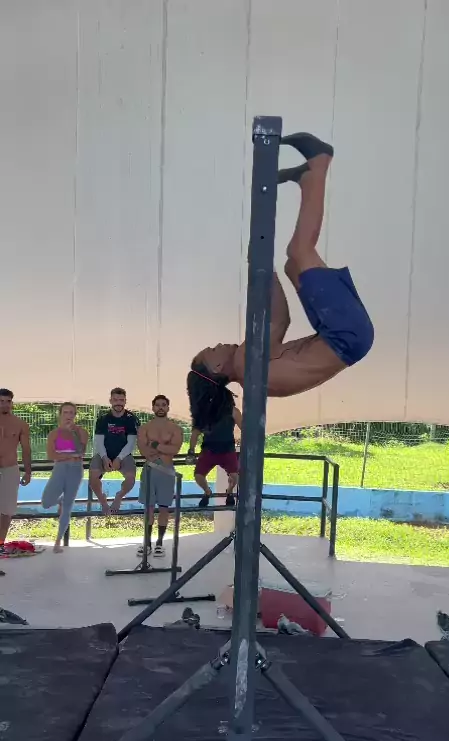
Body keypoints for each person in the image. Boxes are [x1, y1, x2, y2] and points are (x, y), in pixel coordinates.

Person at [187, 132, 374, 426]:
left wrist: (266, 269)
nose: (218, 344)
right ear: (218, 366)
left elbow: (279, 320)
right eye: (212, 350)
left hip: (346, 338)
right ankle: (318, 165)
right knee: (300, 251)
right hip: (344, 335)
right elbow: (274, 320)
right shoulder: (246, 365)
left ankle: (307, 179)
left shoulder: (252, 373)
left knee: (292, 265)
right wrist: (258, 265)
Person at [137, 395, 183, 557]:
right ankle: (147, 543)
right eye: (157, 405)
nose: (161, 407)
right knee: (149, 508)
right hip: (149, 470)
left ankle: (159, 543)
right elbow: (144, 450)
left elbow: (174, 450)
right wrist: (164, 448)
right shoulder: (145, 428)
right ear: (153, 407)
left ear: (168, 407)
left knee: (164, 508)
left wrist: (155, 444)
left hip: (167, 471)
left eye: (164, 405)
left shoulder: (175, 428)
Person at [42, 403, 89, 553]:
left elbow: (81, 452)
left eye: (71, 413)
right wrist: (68, 456)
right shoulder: (54, 433)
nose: (68, 416)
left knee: (68, 506)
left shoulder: (81, 432)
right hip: (60, 469)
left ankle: (58, 542)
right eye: (65, 412)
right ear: (60, 414)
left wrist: (73, 434)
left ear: (75, 415)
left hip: (76, 469)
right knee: (46, 502)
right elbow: (51, 455)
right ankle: (59, 500)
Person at [89, 388, 138, 515]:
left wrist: (119, 458)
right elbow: (99, 442)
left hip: (124, 455)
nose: (118, 403)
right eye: (115, 400)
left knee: (131, 477)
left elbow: (131, 443)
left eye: (121, 400)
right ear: (110, 401)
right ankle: (103, 502)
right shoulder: (103, 418)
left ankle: (119, 497)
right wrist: (104, 458)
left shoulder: (131, 418)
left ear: (125, 401)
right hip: (104, 453)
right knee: (93, 475)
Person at [187, 403, 242, 508]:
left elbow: (245, 428)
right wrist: (191, 451)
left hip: (228, 450)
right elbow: (195, 433)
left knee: (235, 476)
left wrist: (245, 446)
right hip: (208, 450)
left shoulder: (233, 411)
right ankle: (207, 492)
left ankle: (229, 492)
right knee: (198, 475)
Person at [0, 388, 31, 550]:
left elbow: (26, 449)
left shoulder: (20, 424)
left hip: (10, 468)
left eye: (8, 401)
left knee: (7, 510)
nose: (5, 405)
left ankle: (0, 543)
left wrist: (28, 471)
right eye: (1, 401)